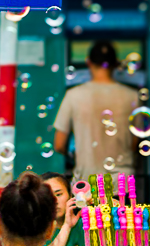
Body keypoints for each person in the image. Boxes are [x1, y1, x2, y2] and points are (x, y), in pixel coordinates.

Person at [51, 41, 141, 178]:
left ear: (88, 62)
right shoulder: (132, 96)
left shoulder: (74, 95)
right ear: (115, 63)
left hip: (86, 182)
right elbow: (134, 144)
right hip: (122, 183)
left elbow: (59, 144)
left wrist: (78, 154)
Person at [40, 173, 84, 246]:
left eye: (59, 194)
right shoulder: (38, 231)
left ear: (71, 195)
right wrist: (67, 226)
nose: (54, 201)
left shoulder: (85, 225)